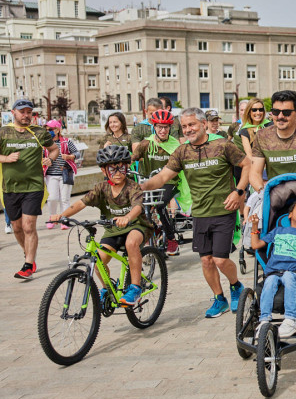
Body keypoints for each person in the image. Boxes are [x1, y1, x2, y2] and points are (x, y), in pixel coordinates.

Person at [140, 108, 250, 318]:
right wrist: (143, 186)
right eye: (184, 126)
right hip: (199, 213)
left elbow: (246, 164)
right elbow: (163, 177)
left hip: (224, 210)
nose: (188, 129)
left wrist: (239, 191)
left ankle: (236, 286)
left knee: (219, 259)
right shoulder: (182, 151)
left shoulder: (222, 145)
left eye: (192, 125)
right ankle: (219, 299)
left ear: (203, 124)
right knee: (206, 260)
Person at [51, 145, 150, 306]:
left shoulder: (132, 187)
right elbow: (81, 203)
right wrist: (61, 216)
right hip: (113, 230)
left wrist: (127, 217)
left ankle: (135, 287)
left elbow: (138, 207)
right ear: (104, 171)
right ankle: (107, 289)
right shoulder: (101, 188)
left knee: (131, 243)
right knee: (97, 260)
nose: (118, 173)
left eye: (121, 168)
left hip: (137, 226)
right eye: (112, 169)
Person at [0, 98, 58, 279]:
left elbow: (54, 149)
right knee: (17, 227)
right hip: (10, 188)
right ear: (13, 113)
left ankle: (27, 265)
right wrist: (5, 158)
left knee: (28, 226)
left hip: (34, 186)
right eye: (22, 112)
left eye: (29, 112)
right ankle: (29, 257)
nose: (26, 115)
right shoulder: (3, 132)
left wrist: (51, 158)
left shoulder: (40, 132)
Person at [249, 198, 296, 338]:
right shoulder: (278, 231)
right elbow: (256, 246)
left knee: (288, 276)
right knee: (269, 281)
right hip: (274, 271)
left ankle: (290, 319)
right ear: (290, 214)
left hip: (295, 271)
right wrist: (254, 226)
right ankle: (264, 320)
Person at [132, 109, 186, 257]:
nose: (163, 130)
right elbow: (132, 158)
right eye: (159, 127)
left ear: (170, 128)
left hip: (171, 182)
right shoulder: (146, 144)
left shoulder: (176, 146)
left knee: (161, 204)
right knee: (139, 207)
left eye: (166, 127)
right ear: (154, 127)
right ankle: (149, 231)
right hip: (149, 181)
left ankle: (171, 239)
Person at [42, 119, 80, 230]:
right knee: (52, 198)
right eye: (47, 129)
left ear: (58, 129)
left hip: (65, 173)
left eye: (51, 129)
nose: (49, 131)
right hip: (50, 174)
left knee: (65, 198)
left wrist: (69, 157)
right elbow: (40, 155)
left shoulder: (66, 142)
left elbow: (77, 153)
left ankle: (64, 219)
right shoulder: (44, 144)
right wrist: (43, 159)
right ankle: (53, 217)